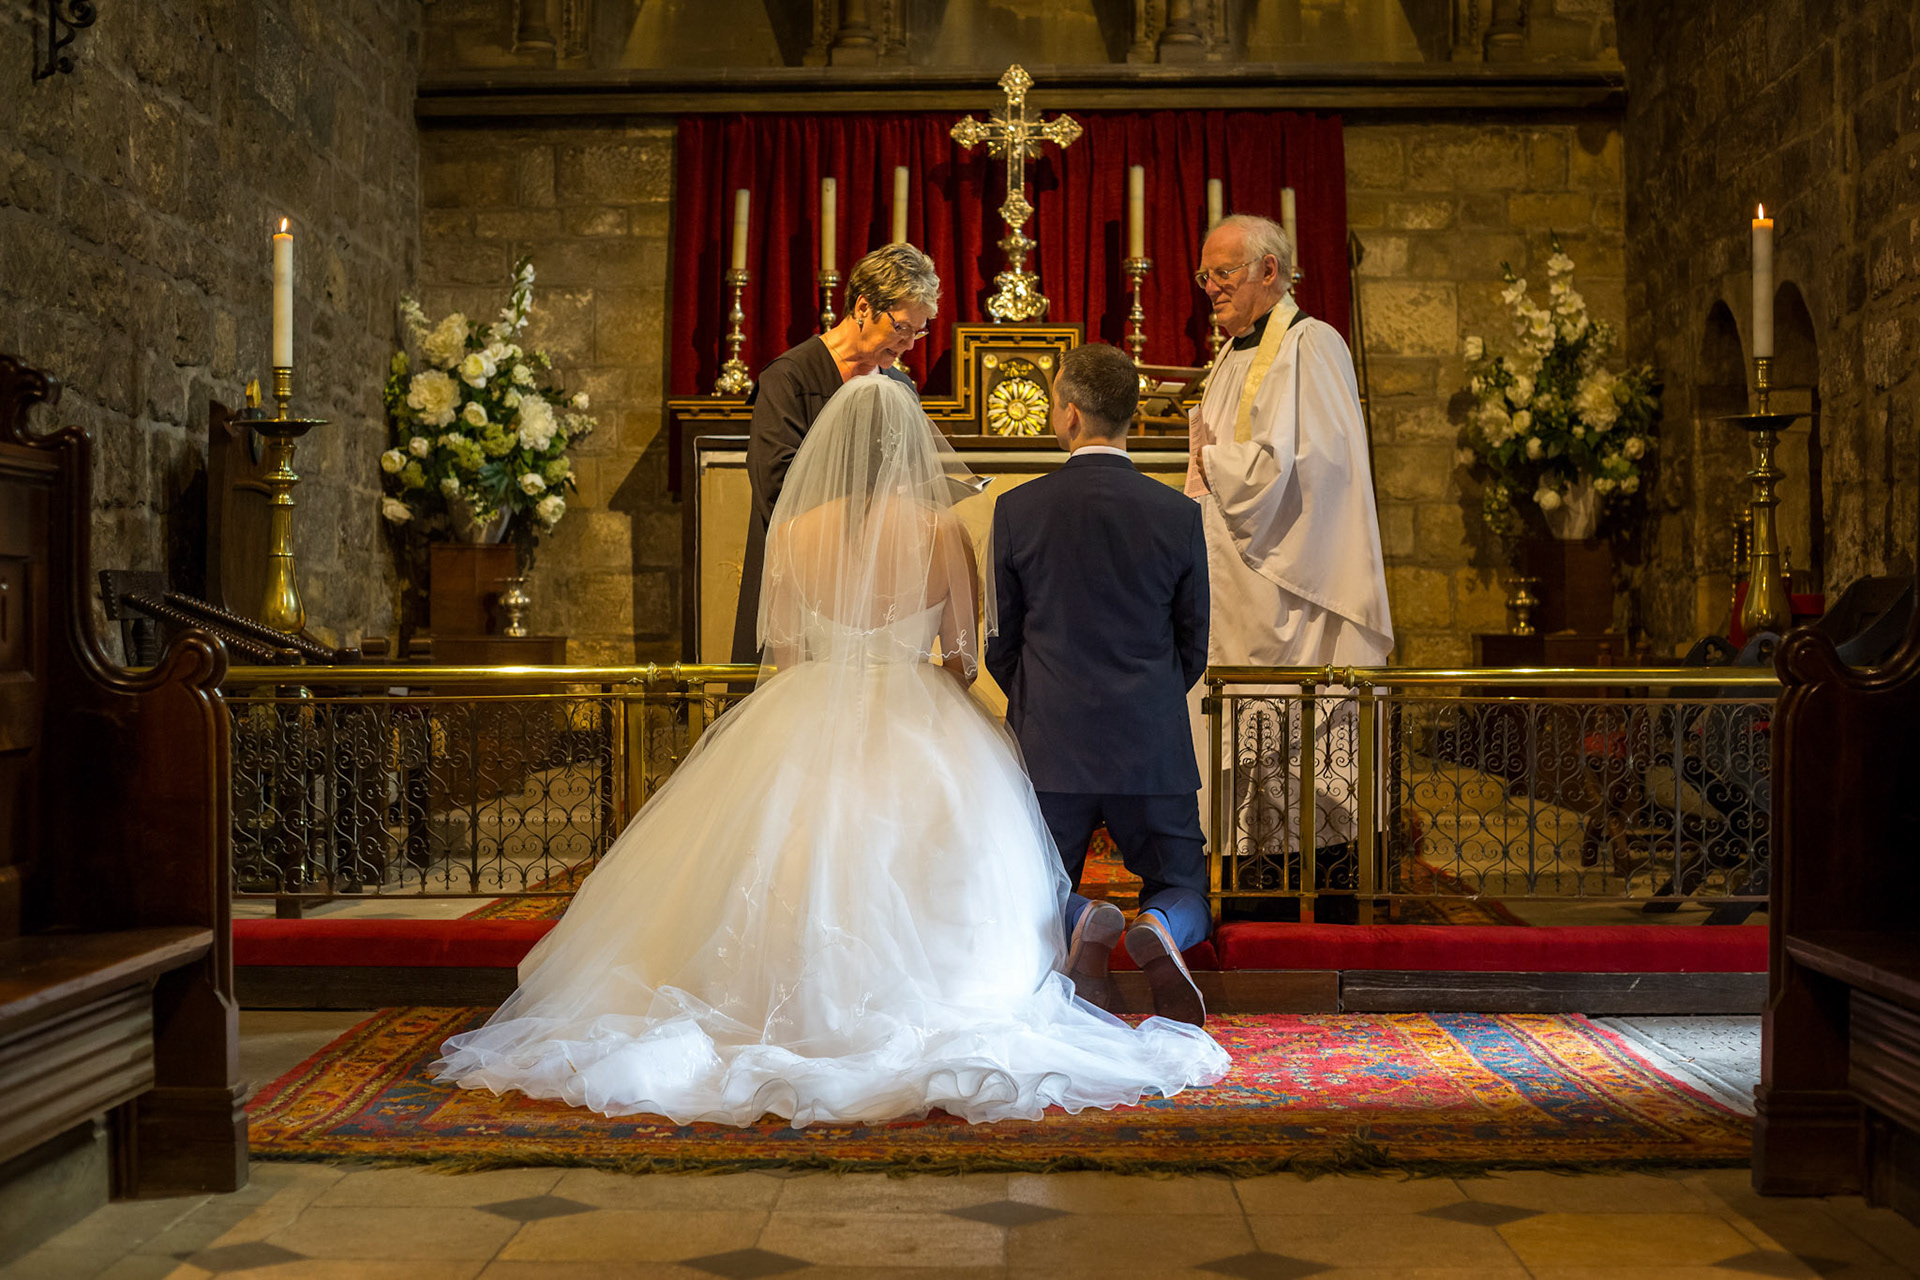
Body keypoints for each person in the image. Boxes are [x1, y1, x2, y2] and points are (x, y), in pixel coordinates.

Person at [435, 374, 1228, 1127]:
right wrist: (916, 674)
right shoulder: (940, 531)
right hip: (920, 713)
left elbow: (785, 654)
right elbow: (963, 657)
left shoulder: (794, 530)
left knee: (789, 857)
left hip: (809, 708)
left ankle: (777, 1001)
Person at [986, 343, 1213, 1026]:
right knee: (1183, 885)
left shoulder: (1018, 509)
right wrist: (1149, 701)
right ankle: (1162, 928)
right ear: (1129, 417)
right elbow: (1192, 643)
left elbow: (1002, 642)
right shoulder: (1177, 514)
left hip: (1051, 743)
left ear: (1070, 414)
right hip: (1151, 742)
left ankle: (1086, 919)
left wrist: (1042, 699)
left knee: (1032, 885)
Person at [1187, 213, 1394, 919]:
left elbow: (1318, 468)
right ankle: (1256, 925)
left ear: (1269, 271)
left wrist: (1212, 460)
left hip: (1302, 597)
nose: (1210, 287)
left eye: (1223, 273)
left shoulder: (1312, 345)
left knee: (1315, 760)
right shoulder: (1230, 357)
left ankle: (1330, 930)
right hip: (1242, 597)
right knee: (1250, 774)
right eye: (1206, 275)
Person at [731, 243, 940, 663]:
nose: (910, 345)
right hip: (802, 590)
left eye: (918, 332)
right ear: (863, 307)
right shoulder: (790, 379)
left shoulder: (900, 388)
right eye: (902, 328)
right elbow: (776, 487)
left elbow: (911, 476)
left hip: (877, 599)